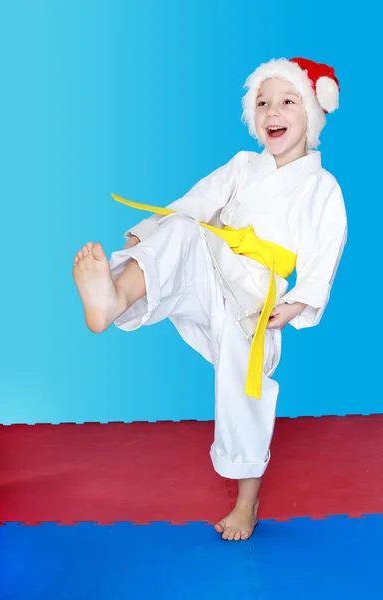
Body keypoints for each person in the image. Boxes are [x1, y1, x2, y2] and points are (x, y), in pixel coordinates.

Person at [72, 57, 347, 541]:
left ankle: (247, 501)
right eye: (262, 103)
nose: (272, 112)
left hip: (254, 299)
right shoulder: (243, 166)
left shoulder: (322, 188)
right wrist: (147, 233)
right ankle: (114, 297)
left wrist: (301, 301)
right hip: (210, 266)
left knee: (244, 391)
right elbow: (198, 200)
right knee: (181, 228)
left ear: (312, 112)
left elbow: (328, 249)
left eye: (287, 101)